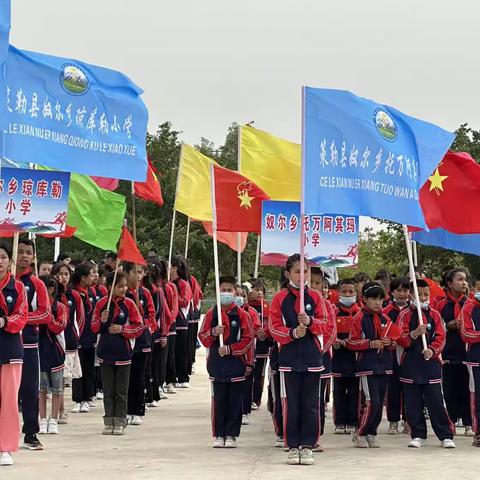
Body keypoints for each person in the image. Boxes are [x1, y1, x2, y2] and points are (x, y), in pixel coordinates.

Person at [269, 254, 334, 466]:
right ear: (288, 273)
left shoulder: (316, 298)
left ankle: (308, 445)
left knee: (311, 405)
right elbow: (274, 327)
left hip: (312, 359)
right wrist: (292, 333)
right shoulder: (280, 298)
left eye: (305, 271)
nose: (302, 275)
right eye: (298, 271)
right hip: (288, 360)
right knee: (291, 405)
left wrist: (311, 321)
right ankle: (292, 445)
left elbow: (325, 324)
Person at [397, 280, 456, 448]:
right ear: (411, 295)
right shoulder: (405, 315)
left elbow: (441, 337)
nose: (423, 298)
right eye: (419, 294)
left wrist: (432, 350)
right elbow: (400, 338)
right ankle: (418, 434)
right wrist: (414, 334)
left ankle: (445, 434)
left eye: (426, 294)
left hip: (431, 366)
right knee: (412, 402)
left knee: (436, 401)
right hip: (410, 364)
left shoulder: (435, 315)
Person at [199, 275, 252, 449]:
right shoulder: (211, 314)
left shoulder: (242, 315)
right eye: (223, 290)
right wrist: (214, 332)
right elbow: (203, 337)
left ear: (236, 292)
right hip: (217, 365)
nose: (227, 293)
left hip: (236, 366)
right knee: (219, 401)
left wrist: (230, 349)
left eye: (230, 290)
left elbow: (247, 339)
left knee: (235, 402)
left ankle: (231, 434)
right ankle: (219, 434)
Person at [92, 272, 143, 435]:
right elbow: (93, 326)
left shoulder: (129, 304)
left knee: (121, 390)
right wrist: (102, 320)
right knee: (108, 389)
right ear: (110, 287)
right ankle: (108, 421)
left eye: (125, 286)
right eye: (120, 286)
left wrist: (122, 329)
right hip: (105, 353)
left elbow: (139, 327)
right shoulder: (101, 304)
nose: (123, 289)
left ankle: (120, 420)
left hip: (123, 354)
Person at [348, 282, 393, 448]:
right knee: (371, 401)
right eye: (373, 298)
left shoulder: (386, 319)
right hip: (367, 367)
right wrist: (370, 344)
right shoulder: (358, 318)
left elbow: (394, 340)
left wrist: (389, 342)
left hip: (384, 365)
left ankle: (372, 432)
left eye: (381, 299)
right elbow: (352, 342)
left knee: (380, 403)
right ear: (364, 299)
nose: (377, 302)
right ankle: (360, 432)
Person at [16, 239, 51, 451]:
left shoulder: (37, 284)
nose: (24, 256)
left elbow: (45, 313)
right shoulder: (5, 280)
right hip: (4, 344)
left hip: (28, 345)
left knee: (30, 391)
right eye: (19, 251)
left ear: (33, 256)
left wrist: (20, 318)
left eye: (28, 252)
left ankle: (31, 433)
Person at [433, 268, 473, 436]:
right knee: (448, 391)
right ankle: (451, 422)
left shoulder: (471, 303)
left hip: (467, 354)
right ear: (449, 284)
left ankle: (469, 424)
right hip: (448, 353)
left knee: (467, 389)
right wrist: (448, 326)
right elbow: (434, 325)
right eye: (460, 279)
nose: (464, 283)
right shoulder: (440, 303)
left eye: (465, 280)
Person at [0, 243, 28, 466]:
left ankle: (6, 447)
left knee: (9, 400)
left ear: (10, 261)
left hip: (10, 349)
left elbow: (22, 315)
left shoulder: (17, 287)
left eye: (2, 257)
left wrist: (5, 321)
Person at [52, 262, 84, 425]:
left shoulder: (75, 296)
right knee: (55, 378)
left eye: (65, 274)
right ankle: (56, 410)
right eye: (59, 274)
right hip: (53, 340)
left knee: (64, 379)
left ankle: (62, 410)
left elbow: (80, 318)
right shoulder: (50, 294)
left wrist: (76, 335)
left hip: (69, 339)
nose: (62, 277)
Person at [124, 262, 155, 426]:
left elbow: (151, 317)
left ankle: (138, 410)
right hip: (126, 341)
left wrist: (140, 324)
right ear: (127, 273)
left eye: (141, 272)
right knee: (127, 378)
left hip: (142, 341)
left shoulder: (145, 293)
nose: (138, 275)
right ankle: (127, 410)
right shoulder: (122, 293)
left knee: (139, 377)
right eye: (135, 272)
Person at [309, 267, 336, 451]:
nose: (315, 286)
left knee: (318, 399)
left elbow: (331, 331)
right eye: (311, 282)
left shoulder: (327, 306)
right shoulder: (297, 302)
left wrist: (319, 351)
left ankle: (315, 436)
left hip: (321, 359)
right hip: (298, 361)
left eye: (318, 283)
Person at [38, 275, 68, 435]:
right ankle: (42, 419)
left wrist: (47, 315)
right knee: (41, 388)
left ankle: (54, 419)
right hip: (39, 349)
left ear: (50, 289)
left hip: (56, 350)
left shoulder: (60, 308)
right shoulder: (34, 305)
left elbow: (59, 327)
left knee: (57, 388)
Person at [332, 278, 360, 434]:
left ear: (356, 293)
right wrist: (335, 341)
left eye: (351, 291)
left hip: (356, 359)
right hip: (338, 359)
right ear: (338, 293)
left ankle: (353, 421)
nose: (348, 294)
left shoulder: (360, 312)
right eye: (344, 292)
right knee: (339, 392)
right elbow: (329, 330)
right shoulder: (333, 311)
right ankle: (340, 422)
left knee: (355, 393)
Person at [383, 276, 411, 435]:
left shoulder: (415, 311)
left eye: (405, 290)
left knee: (409, 388)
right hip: (391, 354)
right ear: (392, 292)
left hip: (408, 354)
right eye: (398, 290)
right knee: (393, 388)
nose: (402, 293)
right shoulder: (386, 311)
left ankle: (408, 420)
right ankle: (393, 421)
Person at [71, 262, 97, 414]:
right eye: (91, 274)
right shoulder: (74, 293)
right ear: (82, 277)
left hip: (91, 335)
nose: (94, 277)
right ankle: (78, 398)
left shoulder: (92, 292)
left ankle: (88, 396)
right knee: (77, 369)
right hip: (78, 336)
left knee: (89, 368)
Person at [459, 274, 480, 447]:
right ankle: (478, 432)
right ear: (474, 289)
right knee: (477, 396)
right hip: (476, 360)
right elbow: (466, 334)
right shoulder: (469, 308)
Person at [144, 262, 168, 407]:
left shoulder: (155, 290)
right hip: (138, 333)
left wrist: (162, 333)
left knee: (153, 365)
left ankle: (152, 394)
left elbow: (159, 313)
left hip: (153, 332)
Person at [236, 285, 259, 426]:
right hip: (231, 352)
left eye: (243, 295)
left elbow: (256, 329)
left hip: (248, 351)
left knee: (247, 381)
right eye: (237, 294)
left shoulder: (251, 312)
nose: (240, 298)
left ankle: (245, 411)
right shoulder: (224, 312)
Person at [247, 278, 272, 410]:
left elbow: (270, 324)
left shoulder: (267, 306)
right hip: (249, 345)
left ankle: (256, 399)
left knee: (259, 374)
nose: (260, 292)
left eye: (261, 290)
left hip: (262, 346)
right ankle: (247, 398)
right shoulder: (246, 306)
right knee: (249, 373)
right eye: (256, 290)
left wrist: (265, 333)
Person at [170, 256, 193, 389]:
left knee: (181, 351)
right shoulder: (166, 283)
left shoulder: (184, 284)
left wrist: (173, 297)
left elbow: (185, 300)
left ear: (174, 268)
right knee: (171, 353)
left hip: (181, 322)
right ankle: (172, 377)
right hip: (170, 324)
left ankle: (183, 376)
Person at [187, 269, 203, 376]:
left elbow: (197, 295)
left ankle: (191, 362)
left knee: (190, 341)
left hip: (192, 315)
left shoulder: (191, 280)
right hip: (187, 316)